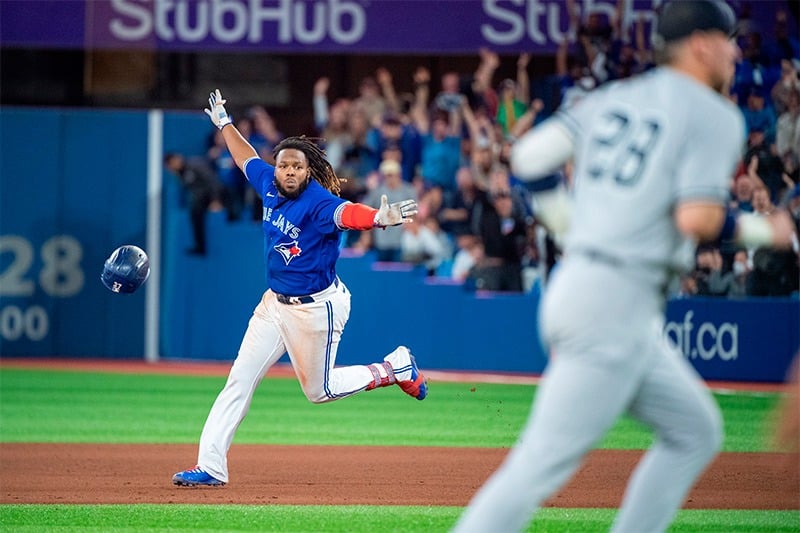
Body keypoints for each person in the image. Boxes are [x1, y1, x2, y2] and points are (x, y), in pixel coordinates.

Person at [453, 2, 797, 532]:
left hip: (593, 289)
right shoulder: (712, 112)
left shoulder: (613, 95)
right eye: (729, 39)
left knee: (695, 431)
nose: (734, 51)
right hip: (614, 301)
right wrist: (767, 230)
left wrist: (567, 224)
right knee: (537, 467)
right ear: (702, 43)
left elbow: (527, 158)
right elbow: (698, 216)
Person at [172, 89, 428, 487]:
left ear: (308, 172)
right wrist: (224, 123)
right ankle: (210, 467)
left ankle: (395, 367)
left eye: (296, 167)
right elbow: (245, 159)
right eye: (284, 165)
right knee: (240, 378)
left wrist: (380, 217)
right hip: (274, 305)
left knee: (320, 391)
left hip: (316, 309)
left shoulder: (319, 203)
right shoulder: (269, 185)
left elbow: (349, 214)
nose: (288, 171)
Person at [163, 151, 225, 256]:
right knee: (195, 213)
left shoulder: (195, 165)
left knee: (197, 210)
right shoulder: (180, 173)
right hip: (201, 198)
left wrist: (216, 200)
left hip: (215, 194)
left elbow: (212, 180)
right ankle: (199, 246)